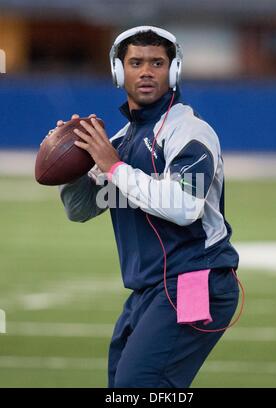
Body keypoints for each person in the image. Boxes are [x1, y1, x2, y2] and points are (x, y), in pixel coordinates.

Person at [56, 26, 240, 388]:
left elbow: (186, 206)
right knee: (123, 385)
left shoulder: (189, 131)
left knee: (138, 385)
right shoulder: (121, 141)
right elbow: (80, 209)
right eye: (136, 62)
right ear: (118, 71)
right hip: (148, 290)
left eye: (157, 63)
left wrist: (114, 167)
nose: (145, 71)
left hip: (194, 280)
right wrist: (73, 164)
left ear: (173, 71)